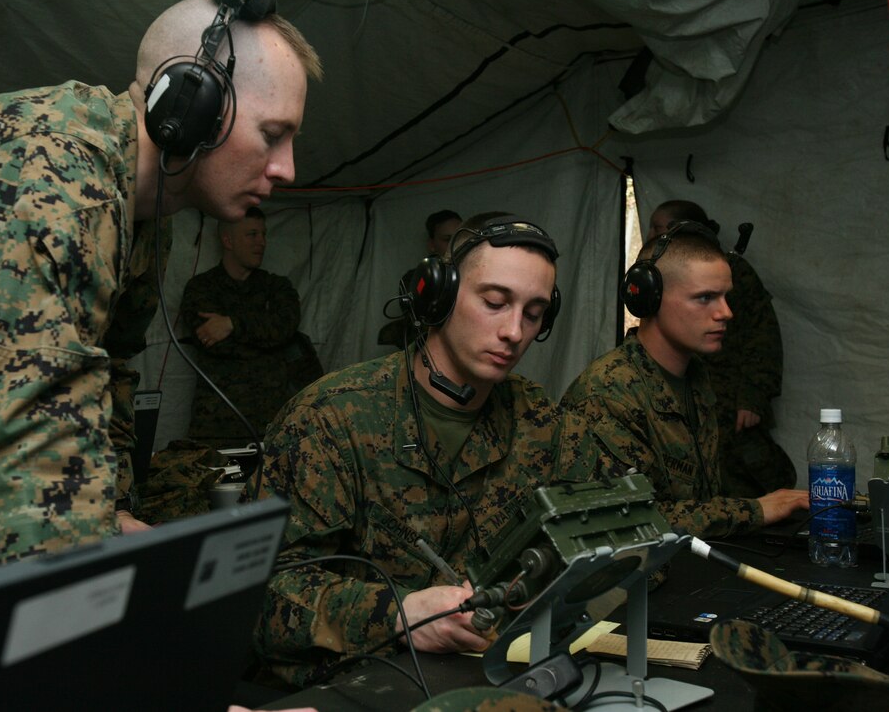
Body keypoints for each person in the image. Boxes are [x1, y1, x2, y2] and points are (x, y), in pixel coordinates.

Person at [0, 0, 322, 603]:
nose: (289, 169)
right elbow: (24, 459)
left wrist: (109, 517)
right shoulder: (56, 180)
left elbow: (101, 376)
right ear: (191, 109)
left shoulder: (144, 217)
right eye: (272, 135)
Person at [249, 212, 563, 688]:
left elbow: (588, 531)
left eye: (534, 313)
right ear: (438, 295)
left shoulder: (535, 414)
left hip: (484, 677)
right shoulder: (332, 418)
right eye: (495, 302)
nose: (515, 332)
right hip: (357, 684)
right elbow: (259, 598)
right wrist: (399, 614)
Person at [556, 224, 807, 540]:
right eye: (705, 298)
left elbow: (696, 503)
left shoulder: (696, 378)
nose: (726, 312)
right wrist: (756, 510)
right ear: (650, 299)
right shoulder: (607, 395)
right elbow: (625, 523)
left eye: (726, 297)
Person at [649, 200, 795, 498]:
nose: (722, 311)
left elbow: (763, 336)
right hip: (694, 394)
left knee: (742, 478)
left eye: (657, 227)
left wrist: (753, 396)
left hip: (729, 397)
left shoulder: (731, 272)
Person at [179, 206, 304, 448]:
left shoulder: (277, 287)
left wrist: (231, 324)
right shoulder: (202, 288)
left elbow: (284, 329)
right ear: (228, 240)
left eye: (264, 234)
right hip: (217, 426)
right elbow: (214, 344)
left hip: (272, 423)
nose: (262, 242)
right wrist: (265, 339)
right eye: (252, 234)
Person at [377, 209, 463, 349]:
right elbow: (421, 325)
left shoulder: (481, 274)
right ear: (432, 245)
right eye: (447, 239)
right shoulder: (415, 280)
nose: (455, 244)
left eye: (460, 237)